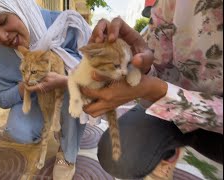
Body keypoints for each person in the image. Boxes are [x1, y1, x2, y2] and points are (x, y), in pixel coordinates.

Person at [82, 0, 223, 179]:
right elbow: (158, 71)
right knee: (118, 155)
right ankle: (167, 152)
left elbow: (155, 90)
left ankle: (165, 151)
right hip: (173, 101)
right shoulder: (168, 4)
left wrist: (157, 91)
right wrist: (143, 68)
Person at [0, 0, 92, 179]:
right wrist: (27, 87)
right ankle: (46, 127)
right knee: (19, 130)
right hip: (34, 99)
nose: (2, 37)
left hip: (66, 93)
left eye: (2, 21)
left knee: (71, 88)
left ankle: (67, 152)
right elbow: (1, 98)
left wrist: (65, 79)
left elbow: (95, 72)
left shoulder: (65, 24)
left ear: (18, 5)